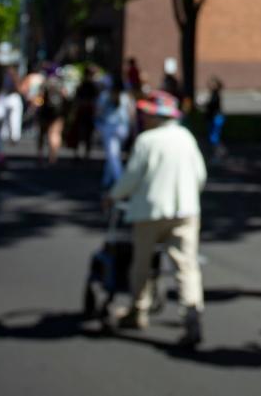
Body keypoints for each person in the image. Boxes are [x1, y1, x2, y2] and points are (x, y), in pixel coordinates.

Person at [105, 91, 208, 348]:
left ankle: (138, 310)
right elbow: (200, 175)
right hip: (185, 210)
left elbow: (131, 178)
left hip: (150, 211)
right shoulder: (186, 138)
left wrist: (113, 195)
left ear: (153, 115)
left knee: (142, 263)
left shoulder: (146, 141)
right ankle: (191, 312)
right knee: (186, 266)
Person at [96, 82, 131, 189]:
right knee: (113, 153)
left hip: (110, 127)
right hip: (123, 128)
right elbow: (131, 113)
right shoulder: (126, 97)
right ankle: (107, 179)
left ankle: (120, 182)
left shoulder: (104, 96)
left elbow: (98, 111)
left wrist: (98, 123)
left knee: (113, 155)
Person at [204, 75, 226, 156]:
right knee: (213, 137)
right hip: (214, 117)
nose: (210, 85)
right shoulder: (213, 94)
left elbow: (212, 105)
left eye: (212, 84)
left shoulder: (215, 94)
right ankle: (217, 153)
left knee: (214, 137)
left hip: (216, 118)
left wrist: (205, 104)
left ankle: (218, 153)